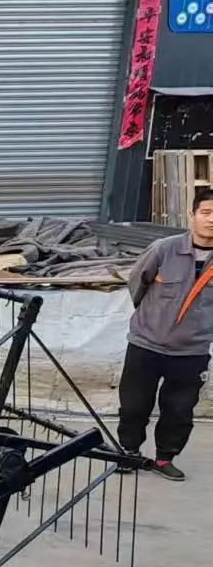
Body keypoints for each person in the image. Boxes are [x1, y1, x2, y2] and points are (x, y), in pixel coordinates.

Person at [117, 186, 213, 481]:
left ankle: (164, 458)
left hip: (191, 352)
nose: (211, 220)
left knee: (179, 410)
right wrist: (150, 320)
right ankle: (128, 452)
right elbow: (137, 284)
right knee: (134, 404)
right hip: (146, 345)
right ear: (192, 215)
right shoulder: (164, 249)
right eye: (206, 213)